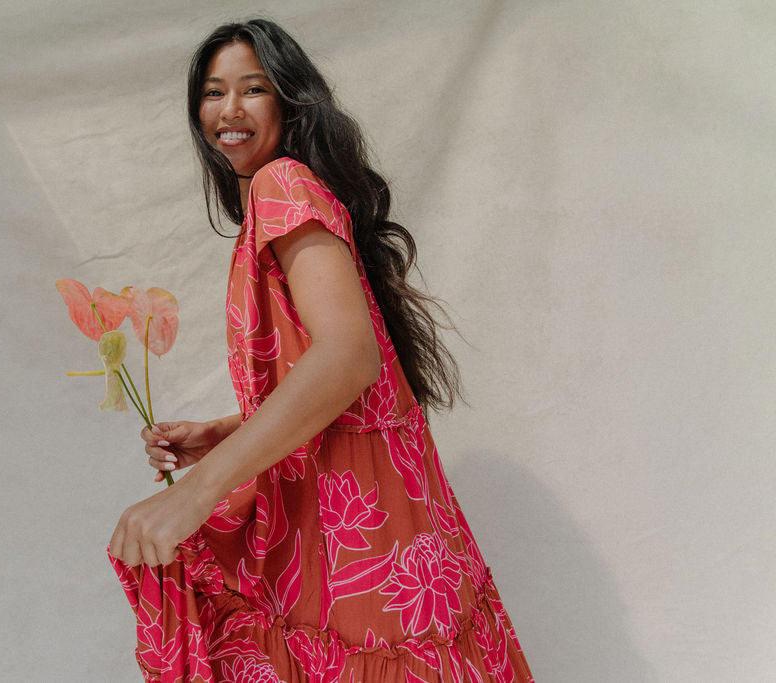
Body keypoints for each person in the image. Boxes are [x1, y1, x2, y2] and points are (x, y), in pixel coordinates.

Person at [108, 19, 534, 682]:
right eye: (213, 92)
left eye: (254, 89)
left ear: (289, 100)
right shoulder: (290, 193)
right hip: (380, 509)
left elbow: (348, 358)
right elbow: (355, 379)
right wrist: (224, 432)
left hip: (355, 522)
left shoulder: (283, 184)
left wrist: (197, 492)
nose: (229, 110)